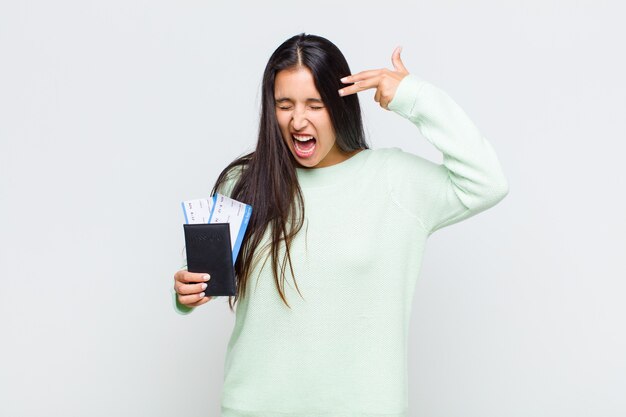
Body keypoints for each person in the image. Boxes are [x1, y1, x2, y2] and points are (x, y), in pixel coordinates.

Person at [172, 33, 508, 417]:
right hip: (253, 407)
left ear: (340, 104)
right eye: (285, 105)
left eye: (315, 104)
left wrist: (413, 97)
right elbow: (208, 281)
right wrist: (185, 293)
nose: (298, 120)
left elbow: (488, 182)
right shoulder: (245, 182)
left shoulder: (392, 179)